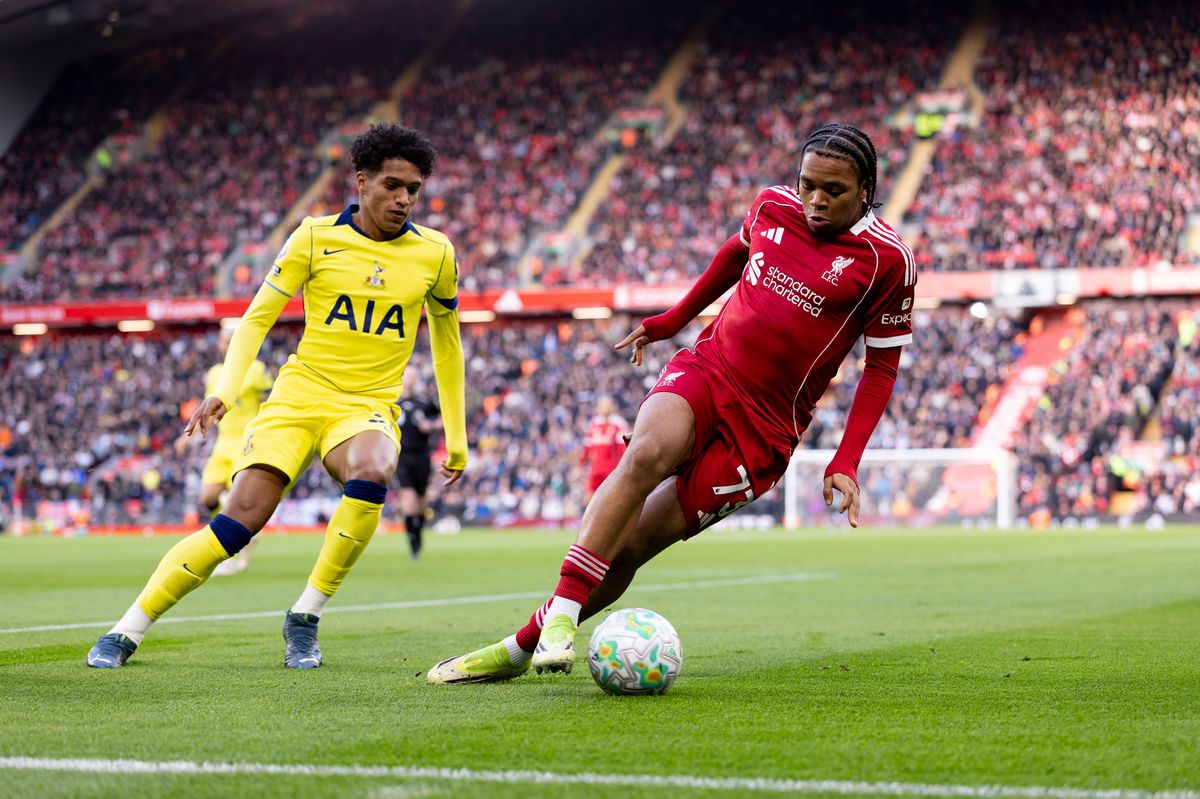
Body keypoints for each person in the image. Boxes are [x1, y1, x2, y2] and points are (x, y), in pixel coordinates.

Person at [426, 122, 914, 684]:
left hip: (763, 432)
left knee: (631, 547)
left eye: (833, 190)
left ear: (866, 190)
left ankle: (517, 648)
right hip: (710, 369)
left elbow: (881, 368)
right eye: (807, 184)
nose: (815, 201)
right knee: (646, 453)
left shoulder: (888, 260)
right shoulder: (771, 207)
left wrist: (845, 460)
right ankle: (562, 613)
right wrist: (672, 321)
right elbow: (733, 256)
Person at [87, 123, 467, 669]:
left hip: (367, 406)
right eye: (392, 185)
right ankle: (127, 629)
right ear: (361, 182)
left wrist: (456, 435)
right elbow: (257, 318)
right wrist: (225, 389)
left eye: (414, 188)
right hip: (298, 397)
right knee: (239, 520)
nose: (404, 198)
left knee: (374, 468)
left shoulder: (436, 253)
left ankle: (305, 616)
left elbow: (448, 348)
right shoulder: (314, 237)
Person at [175, 328, 274, 576]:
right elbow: (209, 411)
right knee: (208, 498)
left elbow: (271, 401)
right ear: (219, 345)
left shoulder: (257, 370)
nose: (228, 344)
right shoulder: (214, 375)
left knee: (234, 503)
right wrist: (187, 438)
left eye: (232, 340)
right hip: (222, 445)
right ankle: (245, 536)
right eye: (224, 340)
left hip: (247, 443)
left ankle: (234, 552)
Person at [395, 382, 441, 559]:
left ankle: (418, 535)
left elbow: (442, 419)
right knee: (408, 499)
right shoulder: (394, 402)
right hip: (402, 456)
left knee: (422, 501)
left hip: (422, 455)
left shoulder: (425, 402)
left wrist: (431, 426)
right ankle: (412, 540)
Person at [579, 395, 629, 506]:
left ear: (612, 407)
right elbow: (587, 447)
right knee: (588, 500)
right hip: (596, 469)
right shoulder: (593, 424)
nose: (604, 408)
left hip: (612, 468)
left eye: (607, 405)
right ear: (598, 408)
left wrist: (623, 467)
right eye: (602, 406)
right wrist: (581, 465)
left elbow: (623, 448)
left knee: (613, 498)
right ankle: (586, 522)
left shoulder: (619, 423)